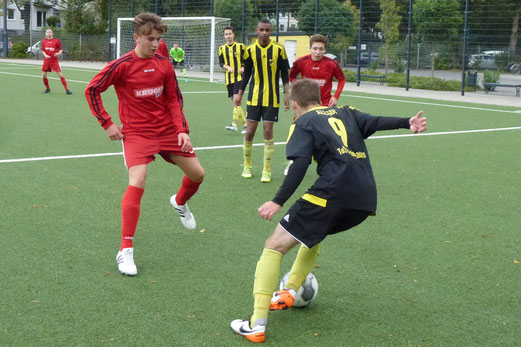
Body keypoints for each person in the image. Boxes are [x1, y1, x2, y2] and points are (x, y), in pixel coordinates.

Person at [230, 79, 427, 343]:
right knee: (314, 233)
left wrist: (278, 200)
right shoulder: (346, 112)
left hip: (333, 191)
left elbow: (299, 164)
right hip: (364, 198)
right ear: (320, 97)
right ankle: (289, 290)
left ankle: (256, 324)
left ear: (295, 104)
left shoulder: (302, 123)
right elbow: (376, 121)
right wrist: (407, 122)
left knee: (274, 247)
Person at [84, 13, 205, 277]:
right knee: (138, 180)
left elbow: (174, 100)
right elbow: (92, 90)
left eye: (158, 39)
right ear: (137, 37)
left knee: (198, 174)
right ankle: (125, 249)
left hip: (167, 131)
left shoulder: (163, 64)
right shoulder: (122, 66)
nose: (155, 44)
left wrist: (182, 130)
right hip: (137, 134)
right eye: (151, 39)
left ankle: (180, 202)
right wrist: (107, 123)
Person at [234, 19, 290, 183]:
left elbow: (285, 74)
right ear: (257, 31)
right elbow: (247, 74)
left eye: (267, 30)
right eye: (262, 30)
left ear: (271, 31)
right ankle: (247, 165)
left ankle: (267, 170)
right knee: (250, 132)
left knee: (267, 131)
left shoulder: (279, 49)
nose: (264, 33)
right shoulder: (250, 50)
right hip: (254, 97)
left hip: (272, 98)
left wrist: (287, 94)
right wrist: (239, 93)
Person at [285, 34, 347, 175]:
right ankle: (293, 163)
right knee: (298, 132)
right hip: (304, 104)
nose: (318, 52)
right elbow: (292, 76)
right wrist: (295, 95)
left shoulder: (331, 64)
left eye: (321, 49)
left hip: (324, 103)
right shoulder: (301, 62)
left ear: (325, 50)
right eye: (315, 49)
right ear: (309, 48)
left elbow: (341, 79)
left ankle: (330, 165)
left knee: (327, 135)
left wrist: (336, 97)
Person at [218, 25, 247, 134]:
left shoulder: (241, 47)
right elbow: (221, 63)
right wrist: (227, 67)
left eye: (230, 33)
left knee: (236, 100)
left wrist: (243, 67)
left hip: (239, 78)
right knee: (236, 104)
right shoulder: (221, 48)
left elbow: (247, 61)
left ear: (233, 34)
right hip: (228, 80)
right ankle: (246, 125)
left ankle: (234, 124)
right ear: (224, 36)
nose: (228, 36)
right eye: (226, 34)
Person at [41, 28, 72, 95]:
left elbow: (61, 50)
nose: (48, 33)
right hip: (46, 61)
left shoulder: (56, 41)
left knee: (60, 75)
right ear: (46, 33)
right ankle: (47, 88)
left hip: (54, 61)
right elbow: (43, 50)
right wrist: (45, 55)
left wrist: (58, 53)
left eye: (50, 32)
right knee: (43, 76)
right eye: (47, 32)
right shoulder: (44, 41)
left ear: (52, 33)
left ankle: (67, 89)